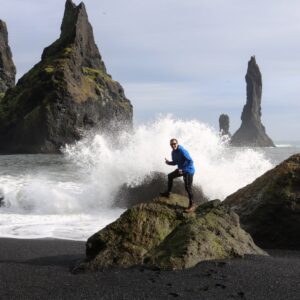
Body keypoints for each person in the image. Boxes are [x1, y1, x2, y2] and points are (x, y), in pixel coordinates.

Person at [160, 138, 196, 212]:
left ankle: (191, 206)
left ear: (177, 143)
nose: (173, 145)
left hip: (189, 171)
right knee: (170, 176)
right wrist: (168, 162)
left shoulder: (182, 151)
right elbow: (175, 162)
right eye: (172, 144)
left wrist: (182, 170)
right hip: (181, 170)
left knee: (188, 187)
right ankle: (168, 193)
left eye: (174, 144)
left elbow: (191, 161)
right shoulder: (173, 152)